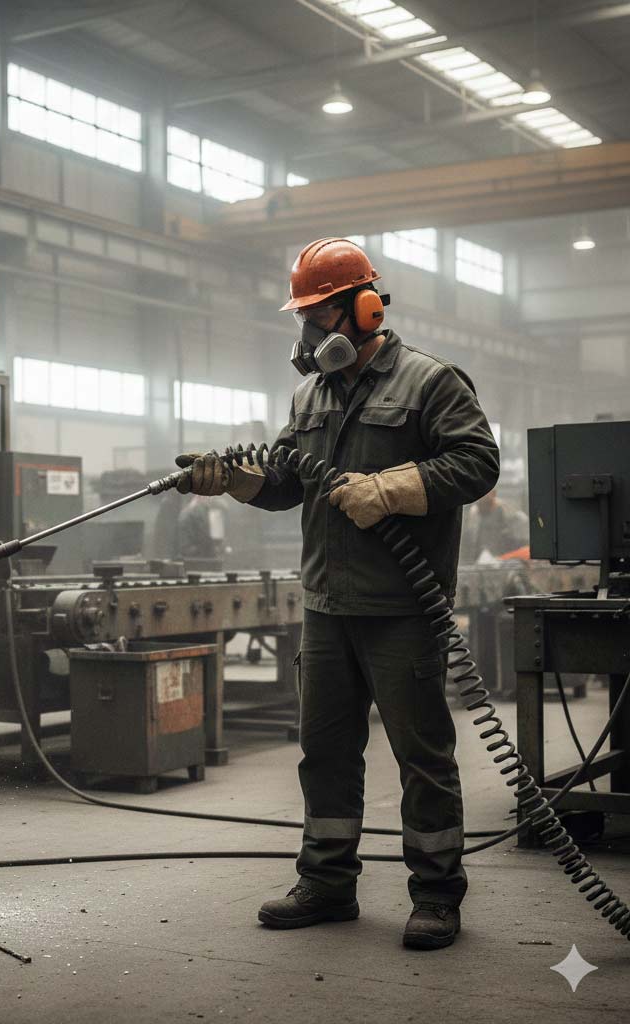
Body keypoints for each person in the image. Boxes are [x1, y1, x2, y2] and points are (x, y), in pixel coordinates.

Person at [176, 237, 499, 950]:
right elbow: (289, 482)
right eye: (304, 317)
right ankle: (326, 882)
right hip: (325, 607)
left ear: (364, 307)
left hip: (402, 610)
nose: (309, 332)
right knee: (324, 752)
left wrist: (390, 489)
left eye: (319, 314)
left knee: (424, 757)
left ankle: (437, 893)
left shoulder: (431, 382)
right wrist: (227, 479)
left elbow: (477, 463)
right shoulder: (309, 394)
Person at [460, 488, 529, 562]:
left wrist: (503, 558)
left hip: (506, 561)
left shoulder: (508, 513)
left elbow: (523, 544)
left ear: (493, 494)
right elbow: (468, 544)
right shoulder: (474, 515)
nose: (481, 498)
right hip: (479, 562)